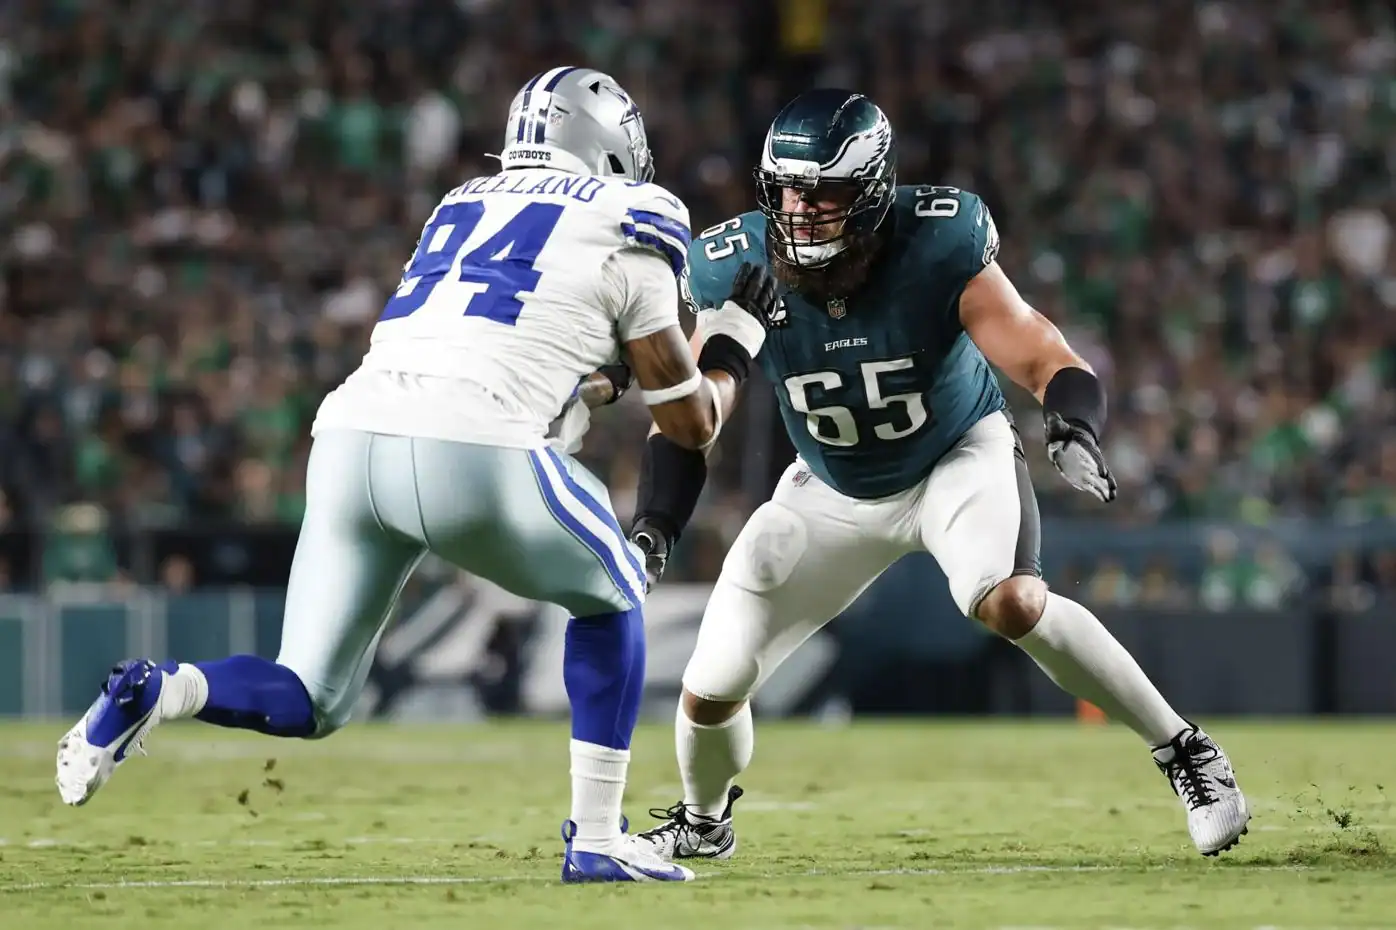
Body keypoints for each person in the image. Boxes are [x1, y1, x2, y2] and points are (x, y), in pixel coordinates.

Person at [54, 66, 773, 884]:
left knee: (310, 696)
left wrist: (609, 380)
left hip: (352, 438)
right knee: (613, 594)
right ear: (608, 147)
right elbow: (688, 423)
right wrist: (730, 347)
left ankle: (162, 688)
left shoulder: (462, 203)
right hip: (475, 448)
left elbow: (545, 344)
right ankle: (599, 837)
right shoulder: (635, 219)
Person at [628, 89, 1250, 861]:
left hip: (953, 458)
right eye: (788, 192)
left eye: (822, 194)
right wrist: (654, 525)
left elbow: (1042, 351)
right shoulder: (735, 263)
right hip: (830, 487)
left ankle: (1185, 750)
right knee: (712, 686)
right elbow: (690, 420)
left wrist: (1073, 423)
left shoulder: (937, 241)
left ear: (872, 191)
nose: (801, 212)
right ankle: (703, 821)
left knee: (1012, 600)